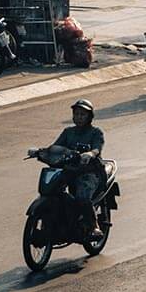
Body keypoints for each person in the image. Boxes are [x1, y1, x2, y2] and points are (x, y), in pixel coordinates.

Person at [50, 99, 106, 239]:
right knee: (53, 191)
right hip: (70, 170)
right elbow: (55, 147)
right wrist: (40, 152)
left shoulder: (95, 132)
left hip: (90, 172)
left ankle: (94, 227)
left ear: (89, 117)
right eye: (77, 114)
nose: (79, 117)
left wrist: (90, 154)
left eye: (83, 114)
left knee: (82, 197)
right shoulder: (68, 132)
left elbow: (97, 148)